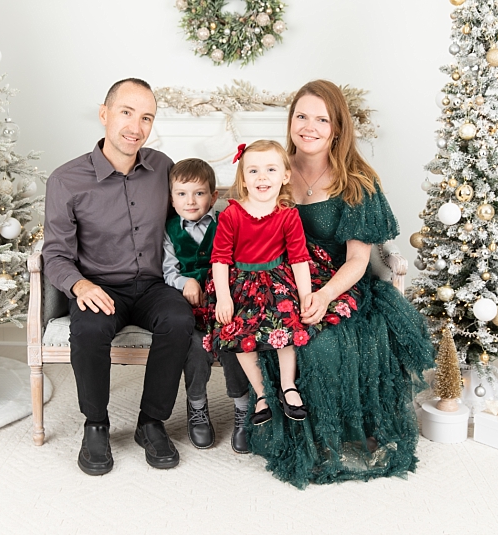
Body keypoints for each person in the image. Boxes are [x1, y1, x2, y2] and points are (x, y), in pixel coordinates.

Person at [244, 79, 434, 488]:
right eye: (301, 116)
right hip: (282, 281)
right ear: (291, 120)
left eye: (321, 119)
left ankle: (342, 432)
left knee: (326, 341)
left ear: (337, 128)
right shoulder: (272, 169)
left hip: (341, 285)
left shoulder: (356, 179)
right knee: (275, 331)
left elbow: (358, 259)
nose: (309, 127)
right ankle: (283, 422)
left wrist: (326, 295)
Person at [43, 78, 192, 475]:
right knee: (89, 330)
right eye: (127, 112)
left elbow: (189, 220)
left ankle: (150, 422)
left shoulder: (163, 166)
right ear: (104, 114)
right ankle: (96, 425)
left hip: (155, 286)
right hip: (100, 287)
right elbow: (55, 253)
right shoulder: (65, 180)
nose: (136, 126)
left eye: (146, 117)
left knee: (179, 319)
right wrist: (79, 285)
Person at [205, 140, 352, 429]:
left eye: (271, 170)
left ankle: (288, 386)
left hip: (277, 277)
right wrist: (224, 297)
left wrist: (306, 294)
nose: (262, 177)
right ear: (244, 179)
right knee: (237, 330)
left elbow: (298, 258)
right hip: (242, 283)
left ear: (285, 176)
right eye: (254, 171)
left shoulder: (287, 214)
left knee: (289, 322)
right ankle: (261, 394)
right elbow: (220, 259)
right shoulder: (232, 214)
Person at [161, 158, 253, 452]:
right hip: (190, 306)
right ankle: (197, 408)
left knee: (233, 345)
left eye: (199, 193)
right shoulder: (168, 230)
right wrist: (184, 283)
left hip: (224, 303)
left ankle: (243, 408)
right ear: (171, 197)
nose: (190, 201)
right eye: (182, 194)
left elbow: (238, 261)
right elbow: (168, 271)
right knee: (196, 347)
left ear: (214, 197)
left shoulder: (226, 221)